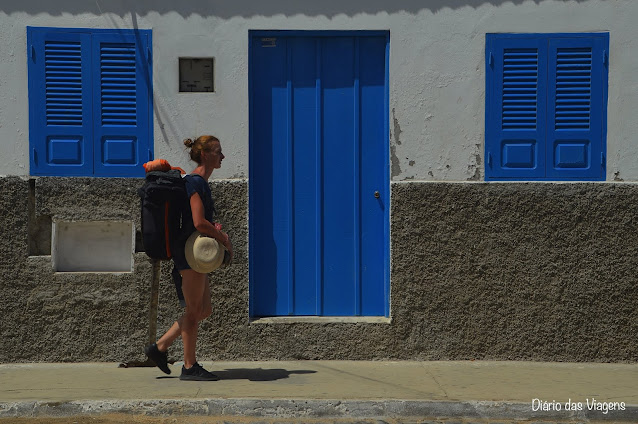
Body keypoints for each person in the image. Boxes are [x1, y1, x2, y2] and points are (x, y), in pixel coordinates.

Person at [144, 135, 233, 381]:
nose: (222, 156)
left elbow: (201, 222)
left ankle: (159, 347)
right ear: (205, 155)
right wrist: (223, 239)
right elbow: (198, 222)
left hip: (195, 253)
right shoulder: (195, 182)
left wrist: (214, 230)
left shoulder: (198, 182)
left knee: (203, 310)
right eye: (218, 152)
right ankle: (189, 366)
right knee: (194, 311)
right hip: (190, 254)